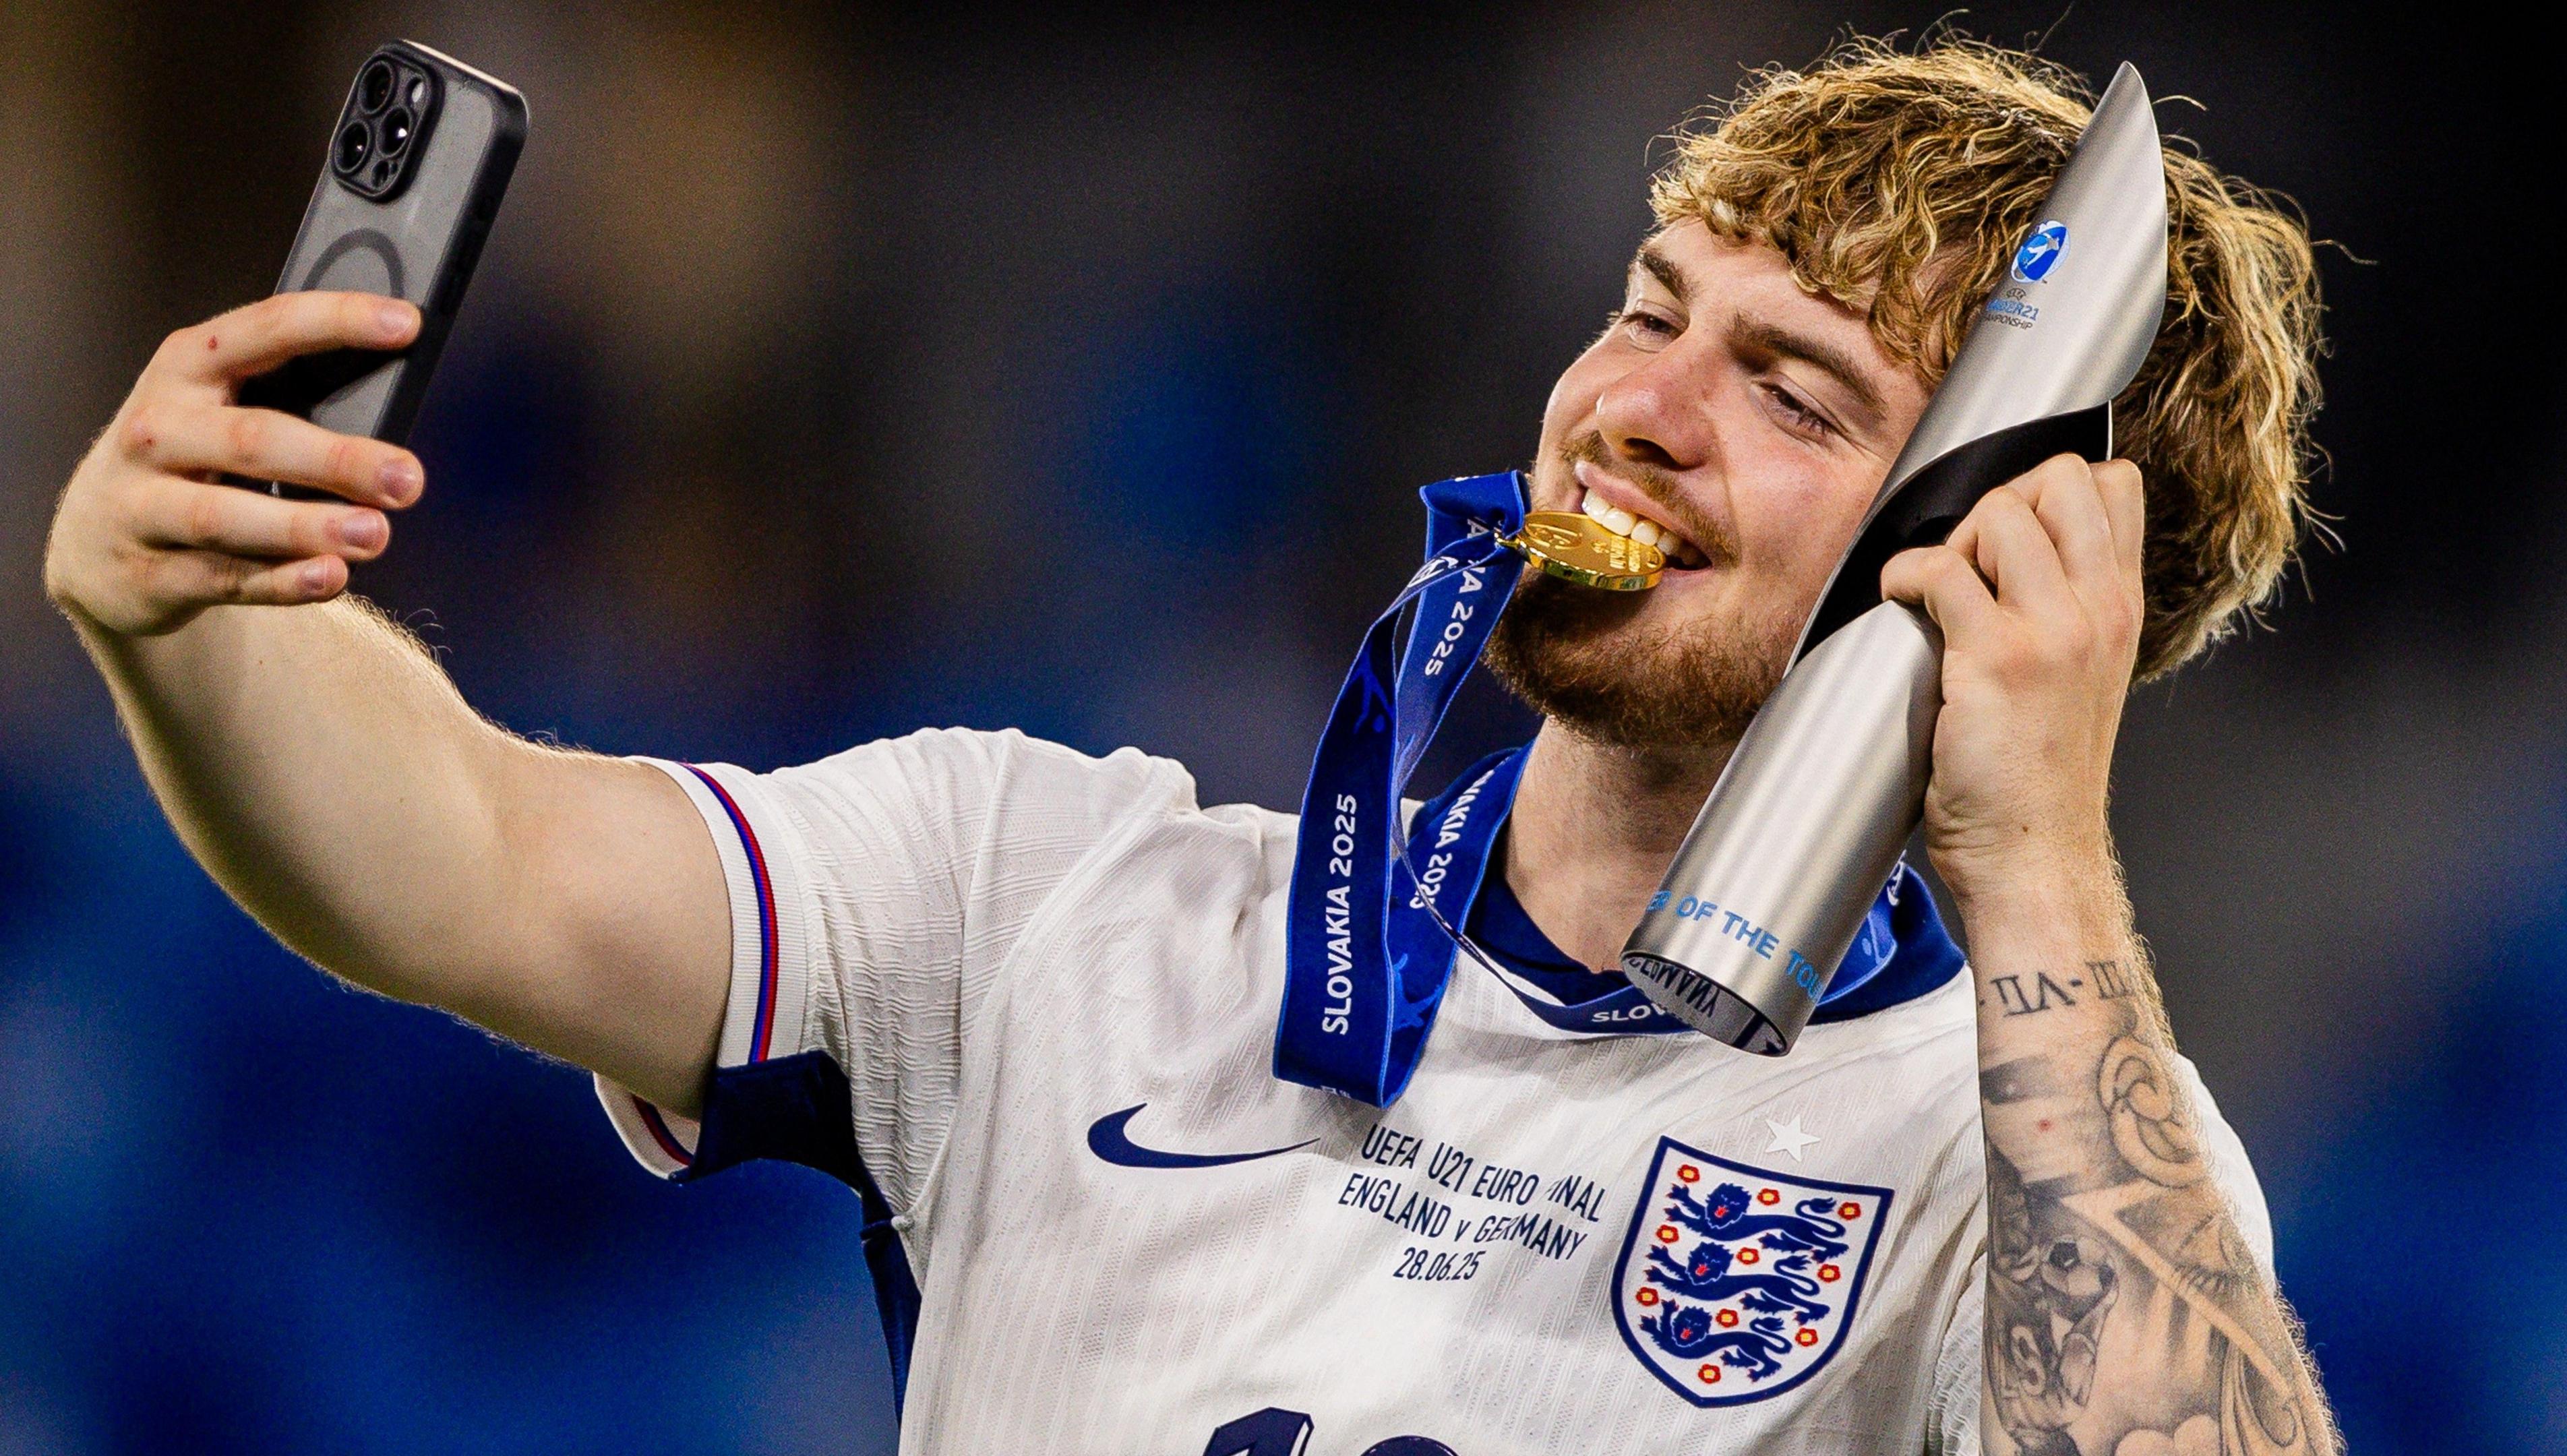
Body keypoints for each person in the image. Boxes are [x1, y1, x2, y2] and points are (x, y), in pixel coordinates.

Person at [41, 37, 2338, 1456]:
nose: (1637, 408)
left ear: (1992, 562)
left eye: (1793, 388)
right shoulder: (1053, 889)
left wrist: (2031, 851)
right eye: (1652, 312)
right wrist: (208, 621)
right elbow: (462, 864)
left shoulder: (2025, 1160)